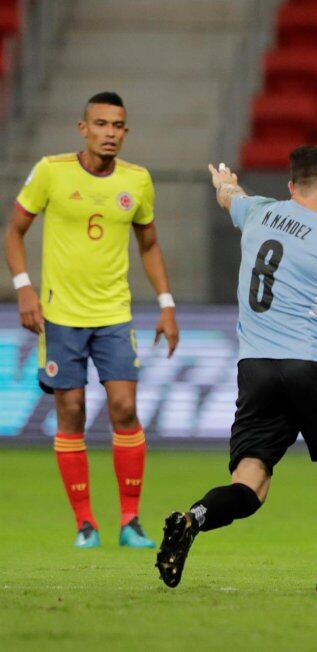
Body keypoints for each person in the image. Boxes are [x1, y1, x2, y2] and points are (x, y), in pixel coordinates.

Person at [155, 147, 317, 594]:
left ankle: (191, 517)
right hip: (307, 366)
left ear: (292, 186)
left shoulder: (259, 214)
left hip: (254, 367)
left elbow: (230, 196)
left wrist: (222, 181)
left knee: (250, 484)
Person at [3, 91, 179, 549]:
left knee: (124, 409)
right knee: (72, 412)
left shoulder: (137, 181)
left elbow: (149, 245)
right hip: (61, 316)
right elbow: (15, 231)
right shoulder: (51, 172)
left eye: (118, 126)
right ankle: (85, 523)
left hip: (114, 314)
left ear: (125, 132)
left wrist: (166, 304)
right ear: (83, 129)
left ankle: (130, 521)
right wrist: (24, 287)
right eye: (100, 124)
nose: (110, 133)